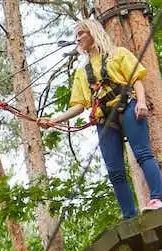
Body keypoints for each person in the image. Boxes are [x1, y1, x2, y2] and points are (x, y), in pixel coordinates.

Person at [38, 19, 162, 218]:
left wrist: (141, 102)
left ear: (93, 32)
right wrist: (55, 120)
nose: (78, 38)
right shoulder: (82, 72)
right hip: (104, 119)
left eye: (81, 33)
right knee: (114, 170)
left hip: (127, 107)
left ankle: (158, 198)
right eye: (76, 35)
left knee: (143, 154)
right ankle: (129, 214)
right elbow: (79, 105)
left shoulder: (118, 54)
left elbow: (136, 80)